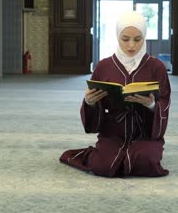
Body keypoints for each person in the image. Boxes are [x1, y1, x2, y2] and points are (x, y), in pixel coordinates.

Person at [59, 11, 171, 177]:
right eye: (125, 39)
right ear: (117, 37)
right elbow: (94, 99)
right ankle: (94, 154)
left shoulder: (157, 67)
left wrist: (152, 105)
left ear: (144, 37)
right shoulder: (104, 66)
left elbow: (164, 101)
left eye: (137, 39)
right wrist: (90, 102)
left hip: (144, 133)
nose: (131, 45)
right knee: (103, 166)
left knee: (145, 161)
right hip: (113, 132)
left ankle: (128, 155)